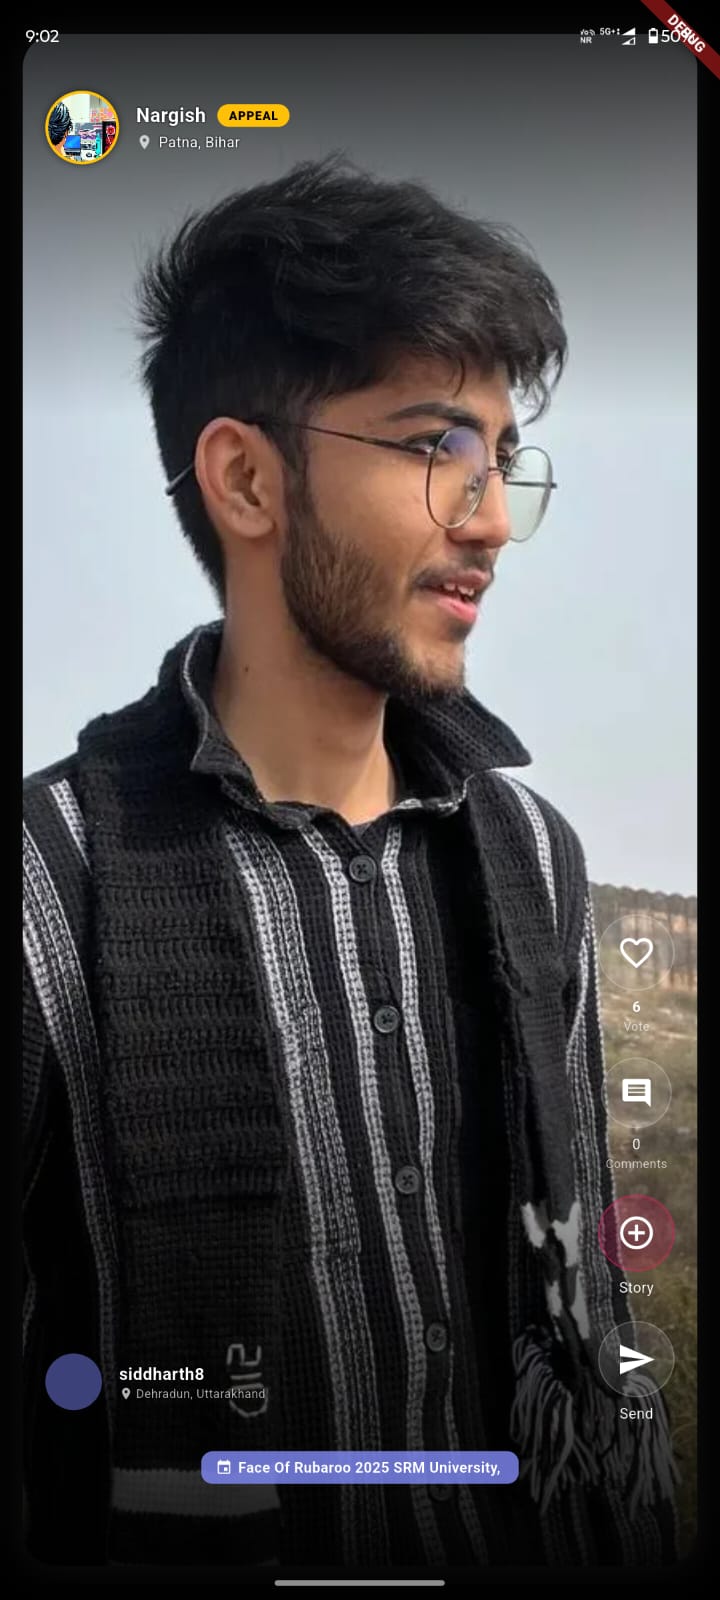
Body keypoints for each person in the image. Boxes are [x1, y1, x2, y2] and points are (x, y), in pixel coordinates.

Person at [23, 153, 679, 1572]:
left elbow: (593, 1312)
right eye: (436, 445)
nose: (489, 516)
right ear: (247, 478)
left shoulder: (532, 861)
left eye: (502, 458)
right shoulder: (49, 888)